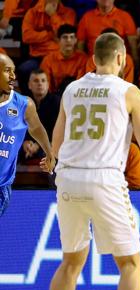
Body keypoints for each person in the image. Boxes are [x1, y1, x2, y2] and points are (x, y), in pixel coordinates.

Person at [35, 33, 140, 290]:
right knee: (131, 264)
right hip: (104, 177)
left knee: (71, 261)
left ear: (93, 58)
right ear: (122, 58)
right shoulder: (128, 92)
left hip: (67, 177)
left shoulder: (71, 89)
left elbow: (57, 144)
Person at [0, 54, 55, 216]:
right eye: (7, 71)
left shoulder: (24, 104)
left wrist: (49, 152)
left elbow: (36, 128)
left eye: (14, 71)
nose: (13, 76)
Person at [19, 69, 60, 164]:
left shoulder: (57, 102)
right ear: (29, 85)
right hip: (28, 144)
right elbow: (19, 126)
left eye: (43, 80)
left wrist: (38, 145)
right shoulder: (24, 103)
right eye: (36, 81)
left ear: (48, 84)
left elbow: (56, 131)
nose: (40, 84)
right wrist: (25, 142)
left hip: (49, 144)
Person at [40, 24, 88, 95]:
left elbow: (81, 83)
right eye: (65, 37)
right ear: (58, 40)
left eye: (71, 37)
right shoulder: (48, 60)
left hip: (76, 95)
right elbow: (47, 85)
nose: (68, 40)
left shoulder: (83, 58)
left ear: (75, 40)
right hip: (55, 96)